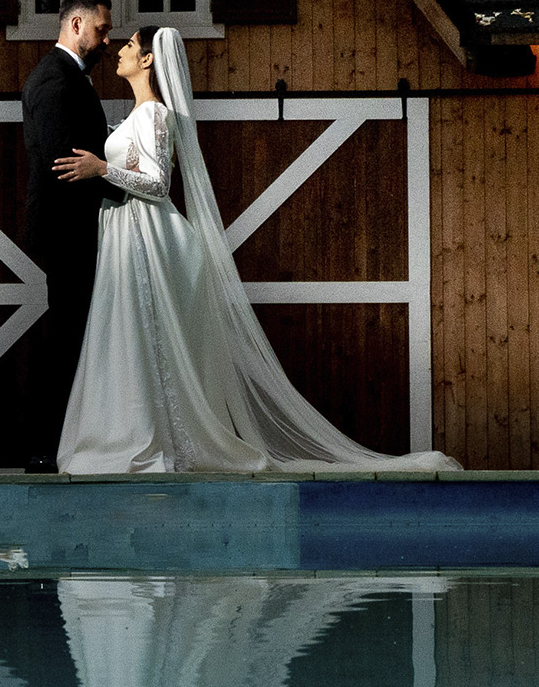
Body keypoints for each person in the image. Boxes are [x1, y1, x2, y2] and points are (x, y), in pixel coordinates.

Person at [49, 26, 458, 474]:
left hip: (150, 236)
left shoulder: (155, 114)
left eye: (128, 45)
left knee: (146, 337)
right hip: (127, 233)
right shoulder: (136, 116)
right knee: (131, 337)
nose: (118, 51)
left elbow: (159, 184)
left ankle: (152, 438)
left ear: (147, 59)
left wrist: (102, 169)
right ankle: (130, 431)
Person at [20, 0, 115, 473]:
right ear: (76, 25)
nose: (107, 41)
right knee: (65, 336)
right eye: (102, 30)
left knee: (74, 333)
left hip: (75, 225)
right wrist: (123, 184)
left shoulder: (69, 77)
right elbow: (65, 163)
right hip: (66, 227)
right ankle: (44, 446)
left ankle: (65, 442)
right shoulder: (55, 80)